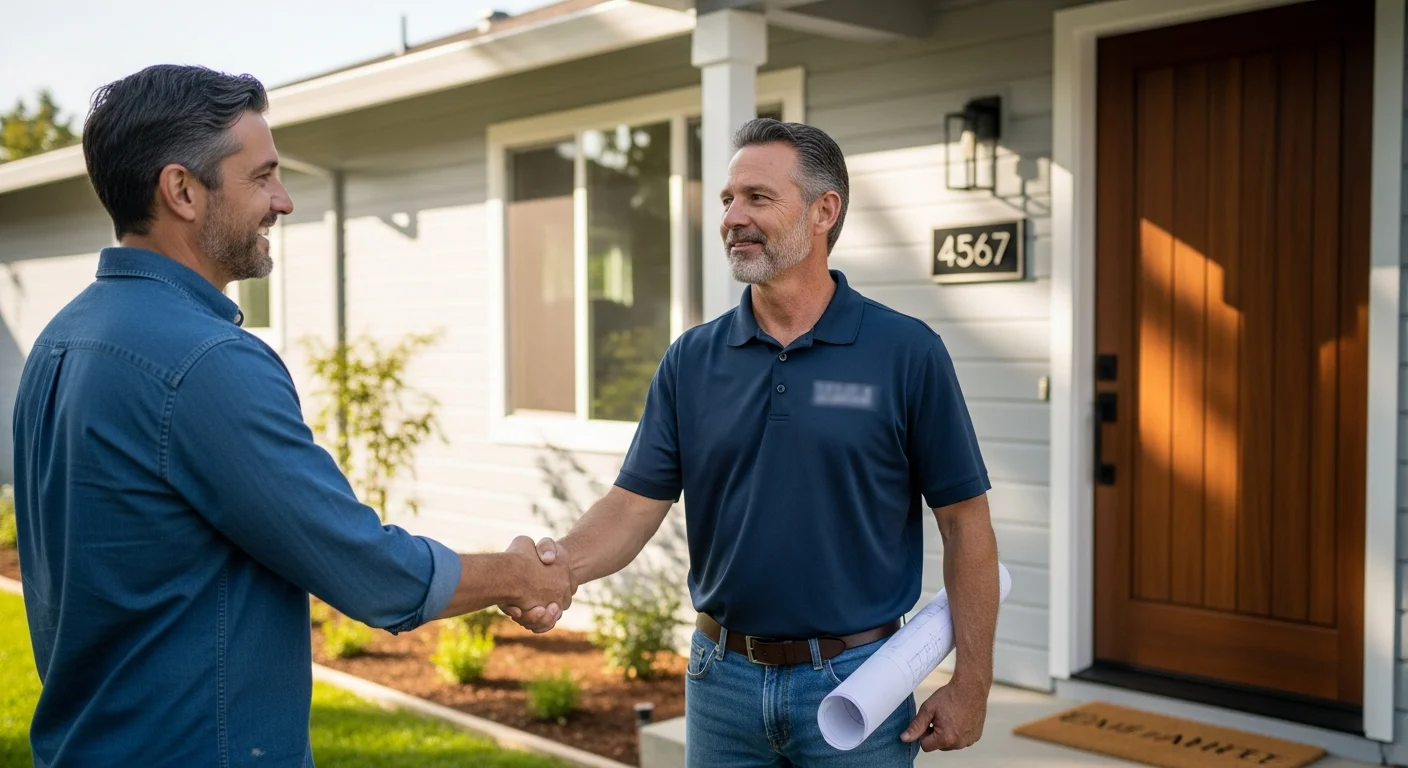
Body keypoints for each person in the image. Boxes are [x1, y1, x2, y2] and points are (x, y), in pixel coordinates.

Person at [9, 64, 573, 768]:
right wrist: (521, 576)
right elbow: (369, 570)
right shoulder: (207, 360)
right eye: (262, 176)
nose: (284, 200)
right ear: (182, 190)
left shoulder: (58, 341)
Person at [502, 117, 1001, 766]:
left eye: (758, 198)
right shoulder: (693, 360)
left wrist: (974, 682)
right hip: (722, 682)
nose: (733, 216)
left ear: (825, 211)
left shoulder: (906, 354)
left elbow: (966, 525)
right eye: (727, 199)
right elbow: (632, 505)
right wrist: (559, 569)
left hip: (859, 685)